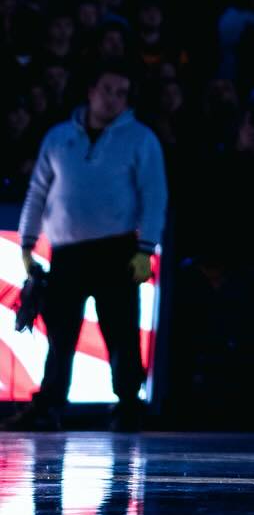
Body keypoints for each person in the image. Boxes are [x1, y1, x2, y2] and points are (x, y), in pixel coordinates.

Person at [7, 64, 166, 431]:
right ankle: (49, 405)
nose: (114, 99)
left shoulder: (140, 139)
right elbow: (38, 190)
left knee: (121, 333)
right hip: (68, 251)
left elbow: (155, 195)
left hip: (118, 250)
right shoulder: (60, 137)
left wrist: (146, 248)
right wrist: (27, 243)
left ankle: (128, 405)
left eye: (122, 93)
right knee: (60, 335)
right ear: (91, 90)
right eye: (108, 89)